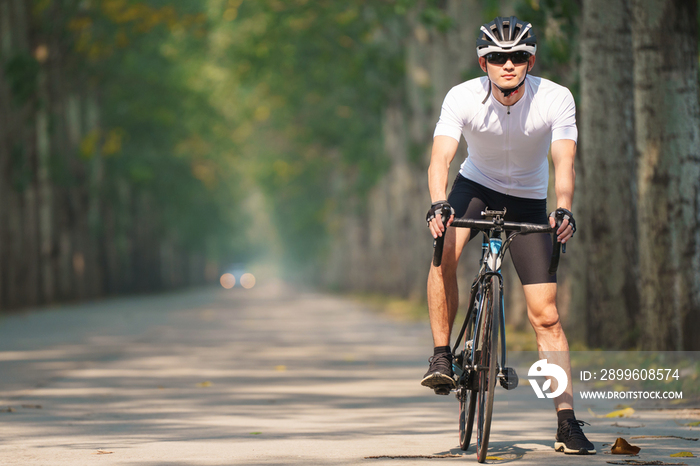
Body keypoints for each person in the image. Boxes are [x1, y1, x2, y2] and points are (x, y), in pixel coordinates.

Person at [421, 16, 595, 455]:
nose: (508, 65)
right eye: (497, 57)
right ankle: (442, 355)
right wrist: (440, 201)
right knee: (444, 255)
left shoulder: (556, 97)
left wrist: (564, 206)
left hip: (530, 199)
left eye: (518, 57)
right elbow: (441, 157)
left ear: (531, 60)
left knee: (547, 316)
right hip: (473, 187)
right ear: (483, 63)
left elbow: (564, 160)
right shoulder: (461, 96)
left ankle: (566, 421)